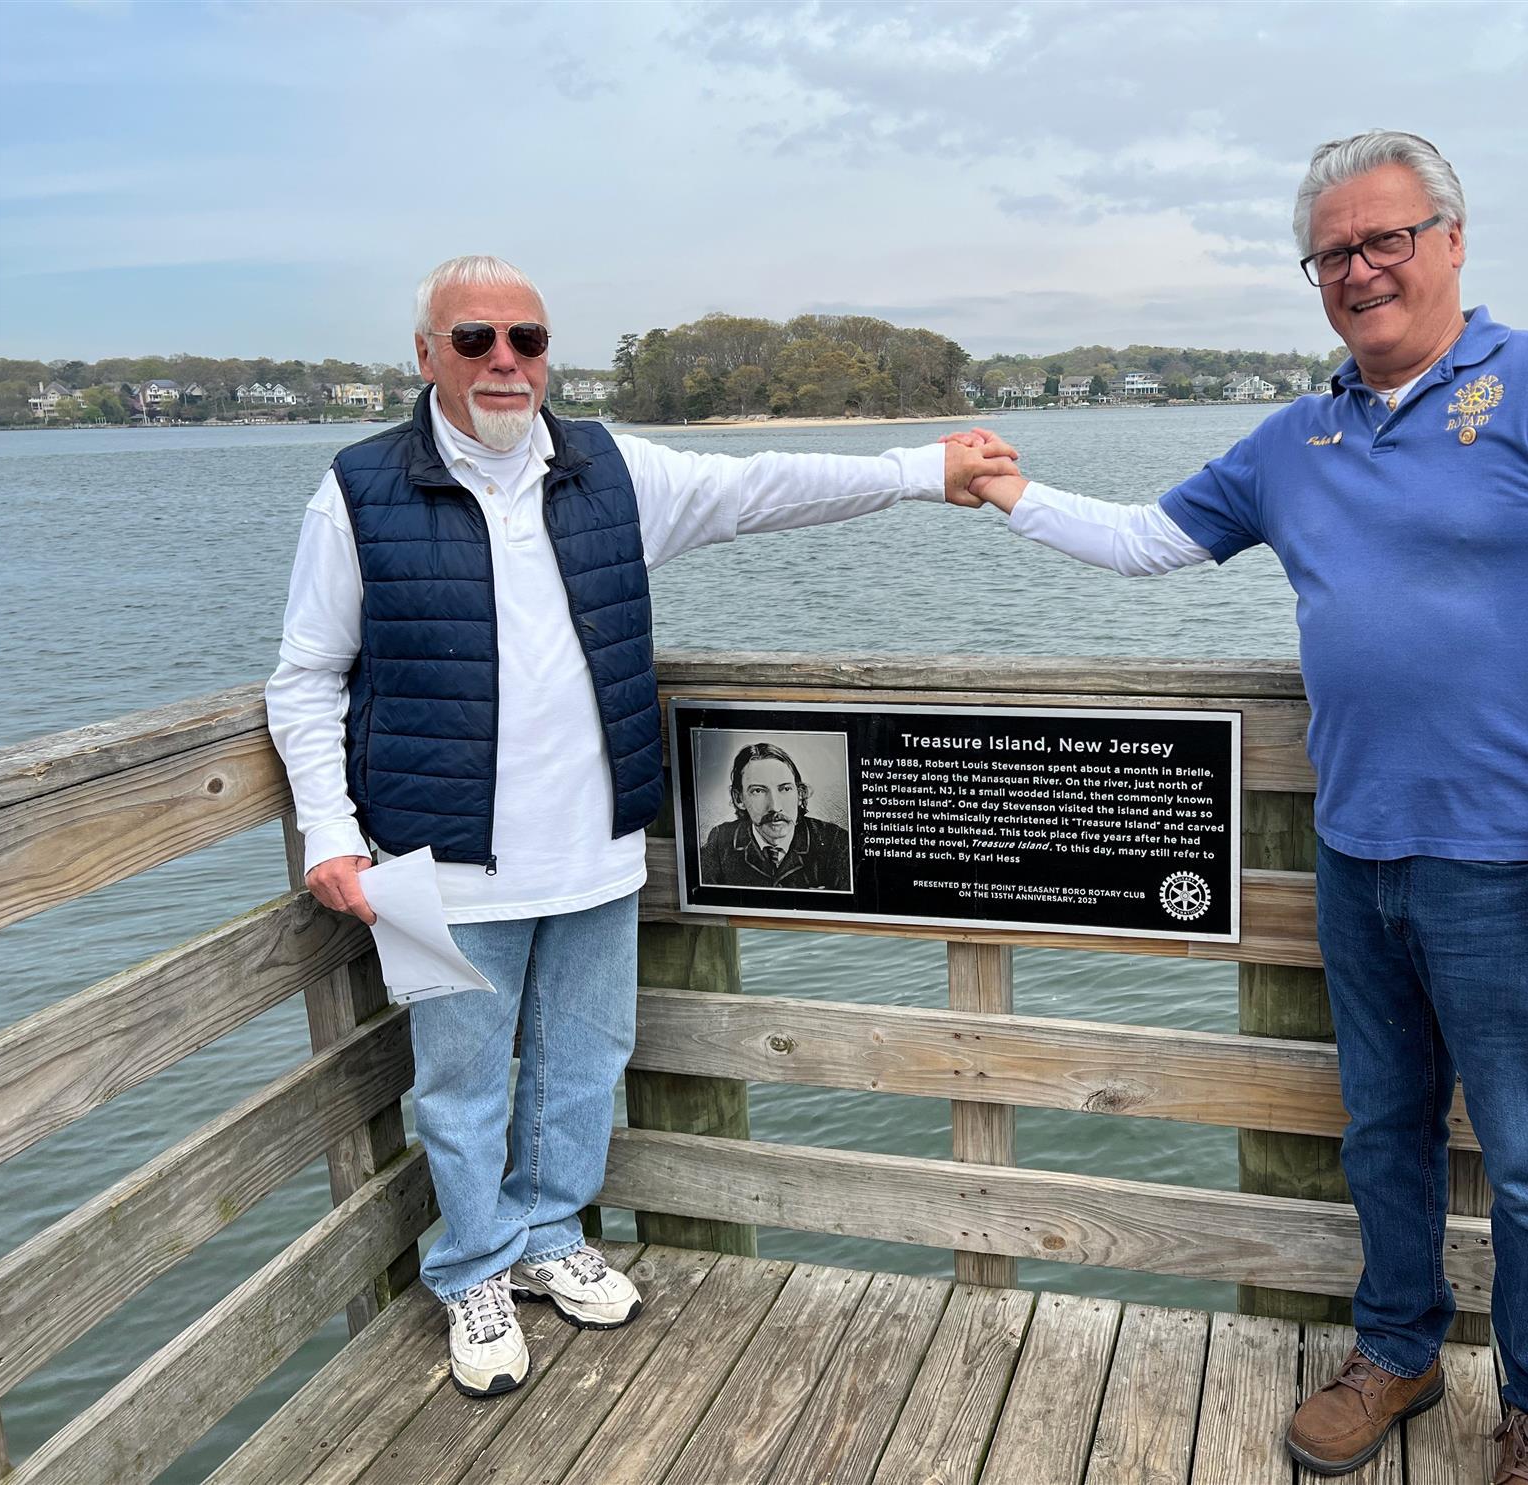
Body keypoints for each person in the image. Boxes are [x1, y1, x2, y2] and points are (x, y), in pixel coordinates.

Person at [960, 132, 1528, 1485]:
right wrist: (1007, 494)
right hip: (1359, 851)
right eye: (1333, 253)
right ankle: (1398, 1349)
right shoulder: (1294, 436)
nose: (1361, 270)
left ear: (1452, 241)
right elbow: (1144, 541)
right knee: (1383, 1126)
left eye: (1386, 240)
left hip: (1510, 862)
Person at [265, 255, 1016, 1399]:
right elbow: (308, 676)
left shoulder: (608, 471)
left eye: (527, 338)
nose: (505, 361)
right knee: (461, 1084)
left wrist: (923, 470)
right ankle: (473, 1266)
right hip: (441, 864)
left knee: (583, 1060)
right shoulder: (359, 490)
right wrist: (328, 828)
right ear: (426, 356)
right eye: (475, 340)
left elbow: (764, 485)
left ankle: (552, 1232)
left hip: (597, 851)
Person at [700, 740, 851, 890]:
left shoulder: (835, 842)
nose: (775, 807)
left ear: (799, 794)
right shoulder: (720, 841)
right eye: (758, 791)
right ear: (739, 799)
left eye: (785, 789)